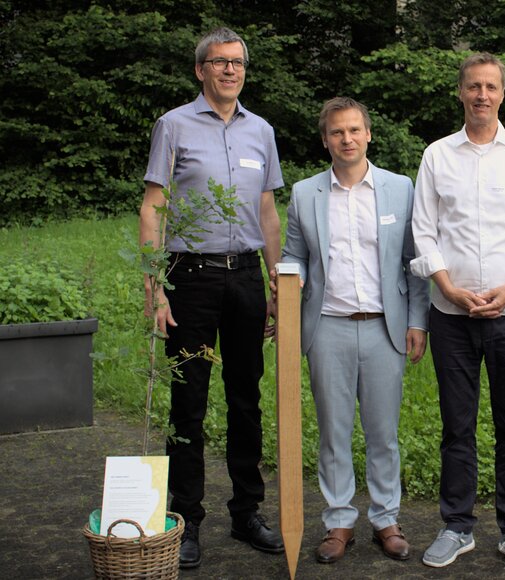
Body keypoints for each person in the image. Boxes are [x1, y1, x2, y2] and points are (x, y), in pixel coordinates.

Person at [139, 27, 284, 569]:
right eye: (219, 62)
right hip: (191, 279)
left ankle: (247, 512)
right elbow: (153, 207)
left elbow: (267, 212)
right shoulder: (173, 126)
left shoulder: (261, 131)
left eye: (238, 62)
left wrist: (274, 283)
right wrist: (156, 288)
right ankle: (186, 518)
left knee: (246, 397)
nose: (230, 70)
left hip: (246, 278)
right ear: (200, 70)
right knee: (190, 400)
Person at [410, 52, 505, 573]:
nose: (482, 95)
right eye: (473, 86)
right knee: (457, 425)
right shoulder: (437, 156)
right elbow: (424, 231)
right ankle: (457, 526)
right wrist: (448, 289)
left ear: (502, 93)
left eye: (491, 87)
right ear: (460, 92)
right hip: (451, 316)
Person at [279, 97, 429, 564]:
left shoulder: (400, 188)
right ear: (325, 140)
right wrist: (291, 277)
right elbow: (295, 254)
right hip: (328, 328)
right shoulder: (306, 193)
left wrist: (417, 321)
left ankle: (386, 519)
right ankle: (339, 520)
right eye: (337, 132)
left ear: (369, 134)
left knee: (383, 432)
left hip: (386, 328)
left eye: (354, 131)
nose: (347, 139)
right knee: (334, 431)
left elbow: (414, 262)